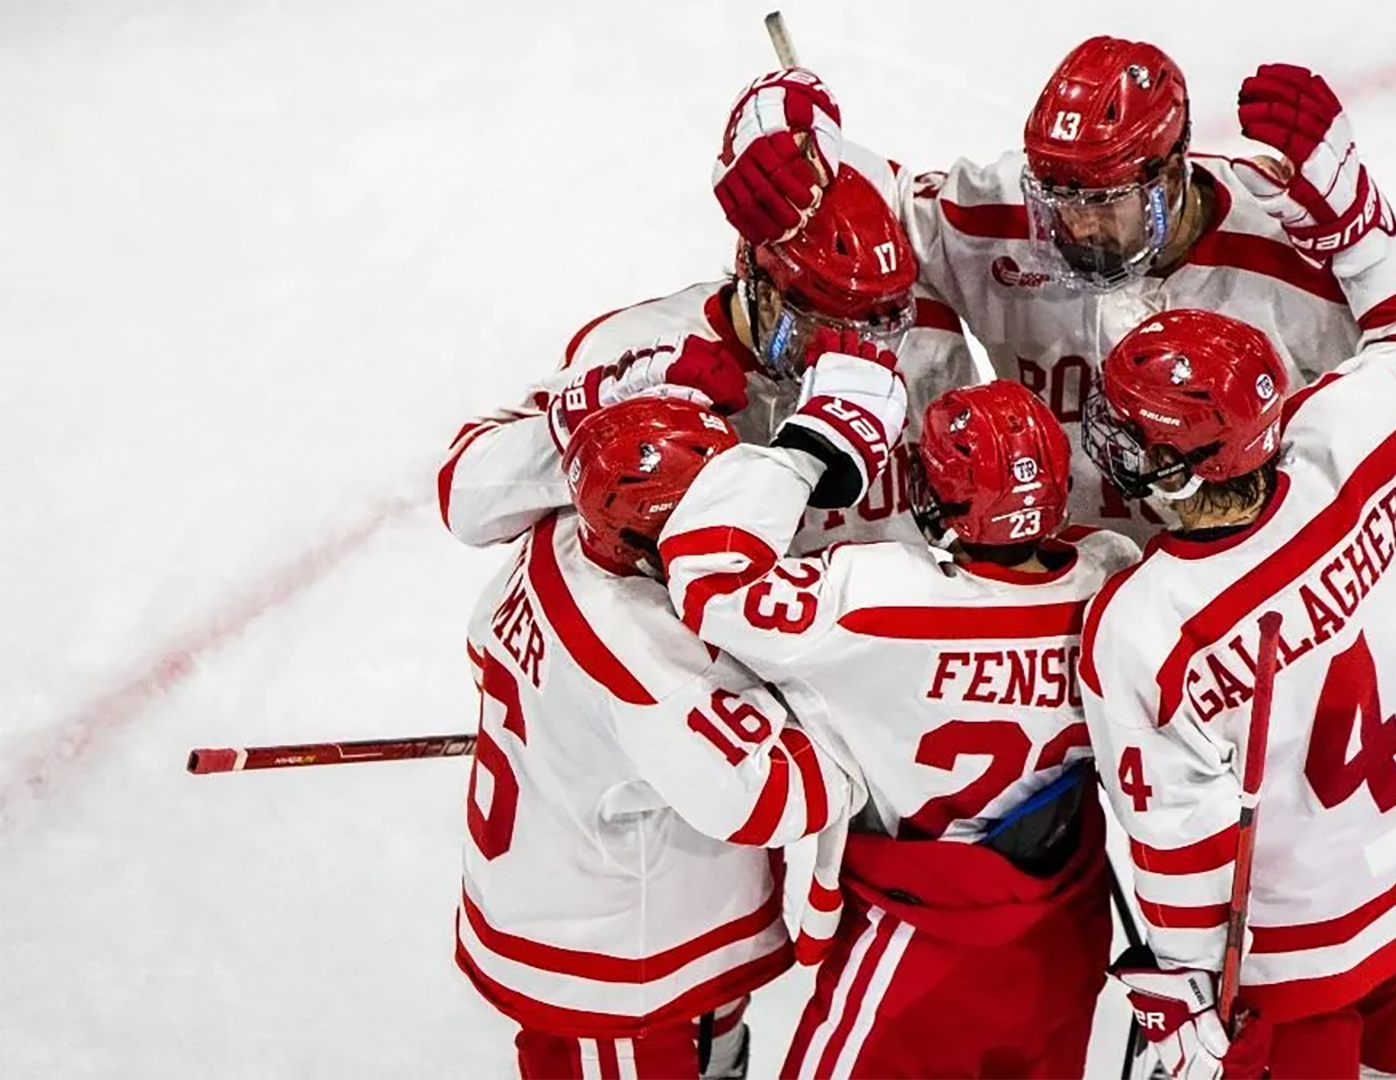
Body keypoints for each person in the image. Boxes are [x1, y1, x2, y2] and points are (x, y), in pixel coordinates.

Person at [714, 52, 1396, 692]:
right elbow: (850, 207)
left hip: (1241, 623)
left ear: (1172, 167)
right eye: (1058, 196)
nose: (1076, 224)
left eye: (1105, 198)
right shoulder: (1002, 219)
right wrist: (779, 133)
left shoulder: (1294, 239)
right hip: (1060, 611)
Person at [1076, 75, 1396, 1080]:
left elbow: (1181, 843)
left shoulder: (1147, 627)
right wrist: (1360, 226)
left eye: (1127, 438)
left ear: (1184, 466)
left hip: (1293, 963)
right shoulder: (1352, 436)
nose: (1112, 454)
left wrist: (1177, 985)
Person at [655, 331, 1141, 1079]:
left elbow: (708, 574)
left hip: (922, 928)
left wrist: (808, 447)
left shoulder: (871, 602)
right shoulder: (1113, 574)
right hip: (1066, 917)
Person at [456, 395, 864, 1079]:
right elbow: (774, 798)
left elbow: (483, 652)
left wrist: (581, 733)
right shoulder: (650, 662)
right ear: (649, 536)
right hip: (612, 964)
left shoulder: (559, 538)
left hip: (573, 894)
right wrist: (844, 708)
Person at [439, 129, 974, 556]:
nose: (846, 351)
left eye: (879, 324)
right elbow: (465, 499)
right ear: (759, 286)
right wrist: (605, 404)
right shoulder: (641, 346)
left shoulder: (927, 342)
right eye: (822, 325)